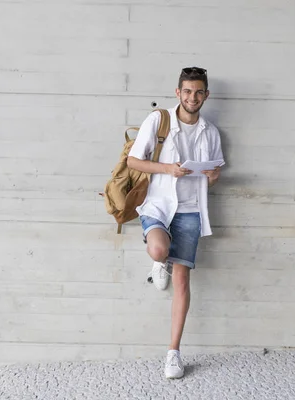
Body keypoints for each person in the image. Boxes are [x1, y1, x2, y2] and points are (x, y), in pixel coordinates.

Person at [127, 66, 224, 379]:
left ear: (205, 95)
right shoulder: (159, 120)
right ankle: (160, 260)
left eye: (198, 92)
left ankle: (173, 353)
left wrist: (213, 175)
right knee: (158, 250)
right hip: (158, 204)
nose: (192, 97)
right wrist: (167, 169)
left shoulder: (210, 131)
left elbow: (215, 173)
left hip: (191, 210)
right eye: (187, 91)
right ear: (177, 92)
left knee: (182, 282)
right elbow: (133, 161)